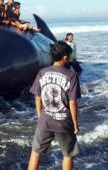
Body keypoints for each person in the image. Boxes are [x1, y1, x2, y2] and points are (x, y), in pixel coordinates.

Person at [28, 41, 81, 170]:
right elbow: (73, 102)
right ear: (64, 57)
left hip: (45, 119)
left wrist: (40, 115)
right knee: (68, 154)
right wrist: (75, 123)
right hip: (63, 121)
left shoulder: (42, 72)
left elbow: (38, 96)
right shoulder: (71, 75)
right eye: (69, 56)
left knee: (35, 151)